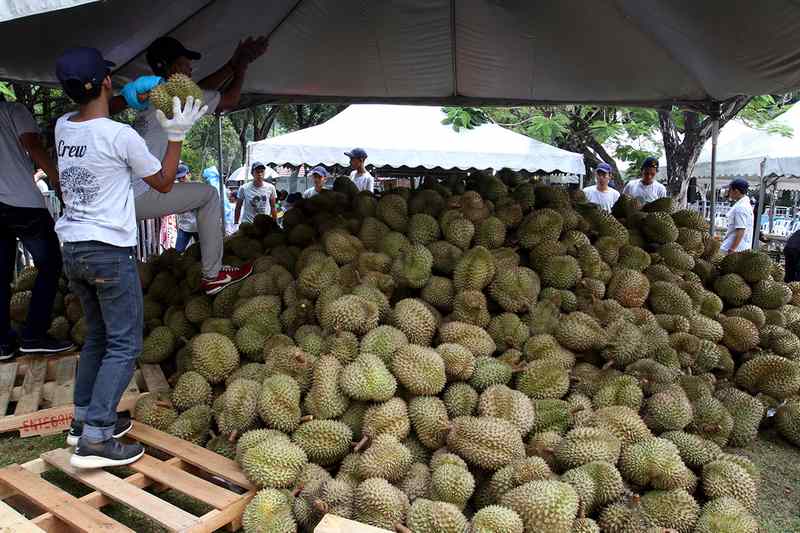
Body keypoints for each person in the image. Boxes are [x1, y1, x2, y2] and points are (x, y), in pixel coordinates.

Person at [54, 47, 206, 468]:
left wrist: (130, 100)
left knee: (98, 339)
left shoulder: (63, 127)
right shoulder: (122, 137)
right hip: (107, 253)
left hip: (75, 250)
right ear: (106, 82)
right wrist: (175, 136)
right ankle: (97, 439)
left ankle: (82, 422)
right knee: (125, 344)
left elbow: (97, 109)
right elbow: (161, 183)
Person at [130, 36, 267, 294]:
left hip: (122, 193)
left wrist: (233, 63)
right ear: (170, 69)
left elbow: (199, 90)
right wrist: (242, 66)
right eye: (184, 64)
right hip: (140, 192)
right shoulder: (175, 97)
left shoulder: (151, 95)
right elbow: (229, 100)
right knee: (209, 195)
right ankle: (213, 274)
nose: (190, 69)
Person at [0, 95, 75, 360]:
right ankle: (33, 335)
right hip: (21, 201)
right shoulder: (13, 110)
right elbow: (32, 145)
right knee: (51, 262)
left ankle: (3, 343)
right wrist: (56, 179)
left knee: (2, 272)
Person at [720, 178, 754, 254]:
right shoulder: (744, 205)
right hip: (739, 247)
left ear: (736, 191)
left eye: (730, 190)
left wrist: (732, 249)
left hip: (735, 249)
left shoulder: (741, 208)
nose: (728, 192)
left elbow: (741, 230)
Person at [174, 164, 199, 252]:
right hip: (184, 227)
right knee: (177, 252)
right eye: (179, 178)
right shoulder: (176, 191)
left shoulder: (198, 188)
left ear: (189, 175)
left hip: (199, 227)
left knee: (204, 252)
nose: (181, 180)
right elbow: (176, 210)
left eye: (183, 177)